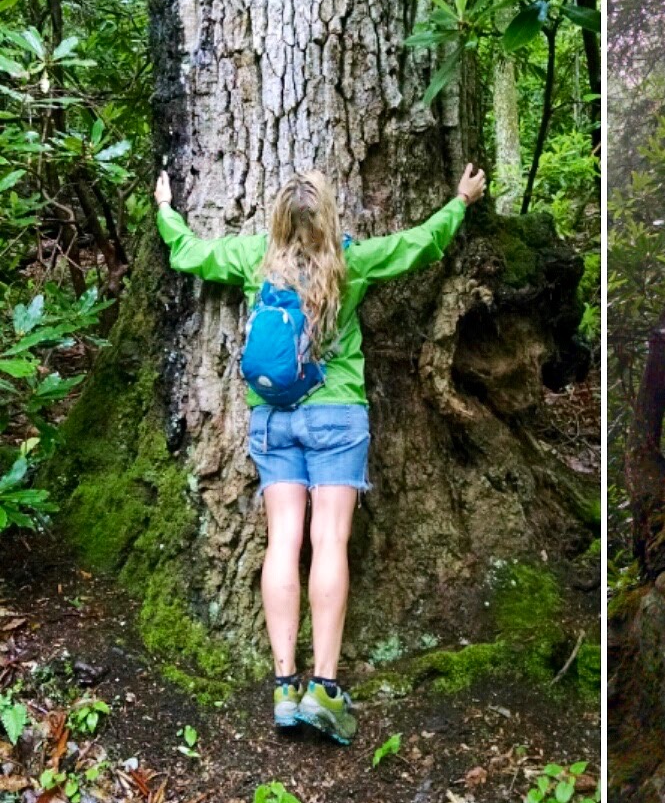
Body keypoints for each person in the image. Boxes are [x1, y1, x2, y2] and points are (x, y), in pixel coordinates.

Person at [153, 164, 486, 744]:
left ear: (278, 219)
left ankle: (284, 687)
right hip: (337, 416)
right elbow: (421, 244)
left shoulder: (254, 258)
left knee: (283, 541)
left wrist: (165, 210)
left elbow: (190, 253)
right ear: (328, 216)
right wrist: (460, 200)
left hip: (272, 417)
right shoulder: (351, 261)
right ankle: (324, 690)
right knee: (329, 540)